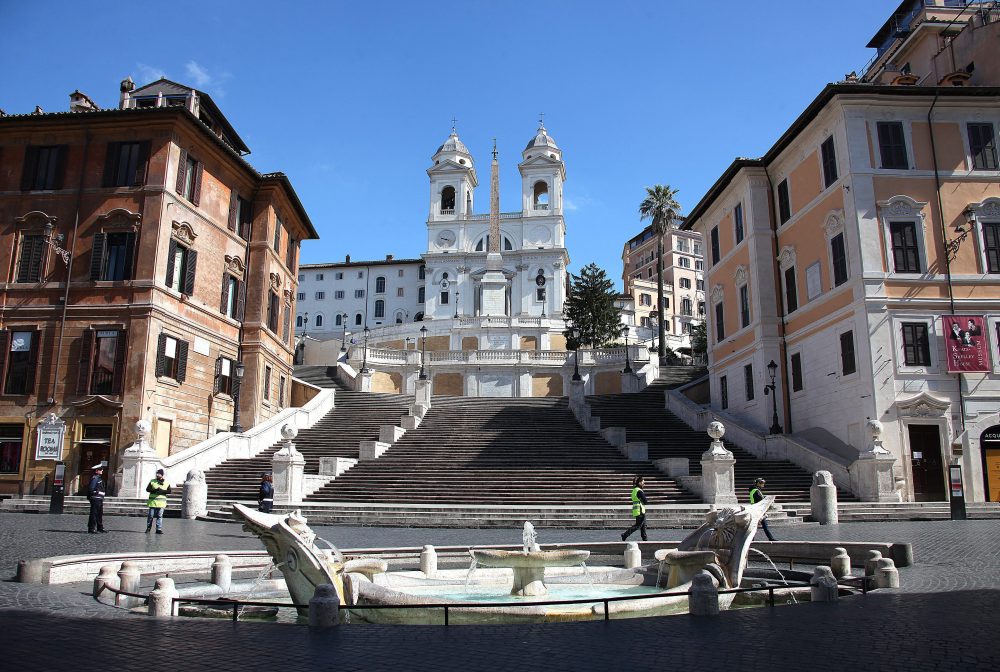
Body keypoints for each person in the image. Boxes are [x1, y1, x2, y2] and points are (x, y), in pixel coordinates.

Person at [621, 476, 649, 542]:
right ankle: (625, 535)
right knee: (638, 525)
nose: (644, 484)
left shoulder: (634, 490)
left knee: (643, 526)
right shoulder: (639, 491)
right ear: (639, 483)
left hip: (638, 510)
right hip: (640, 510)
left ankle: (645, 539)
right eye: (643, 482)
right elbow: (645, 501)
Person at [145, 469, 171, 534]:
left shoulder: (166, 482)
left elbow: (169, 491)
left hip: (161, 503)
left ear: (162, 475)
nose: (157, 475)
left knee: (159, 516)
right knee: (150, 516)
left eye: (159, 474)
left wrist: (162, 491)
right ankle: (148, 528)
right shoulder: (152, 481)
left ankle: (158, 529)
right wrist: (155, 490)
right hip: (152, 502)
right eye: (157, 474)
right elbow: (147, 489)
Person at [87, 464, 107, 534]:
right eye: (100, 469)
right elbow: (91, 489)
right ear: (96, 471)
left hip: (99, 498)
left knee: (99, 514)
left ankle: (100, 527)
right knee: (94, 514)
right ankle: (91, 528)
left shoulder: (98, 478)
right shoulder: (95, 478)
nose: (102, 470)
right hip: (95, 498)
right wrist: (93, 495)